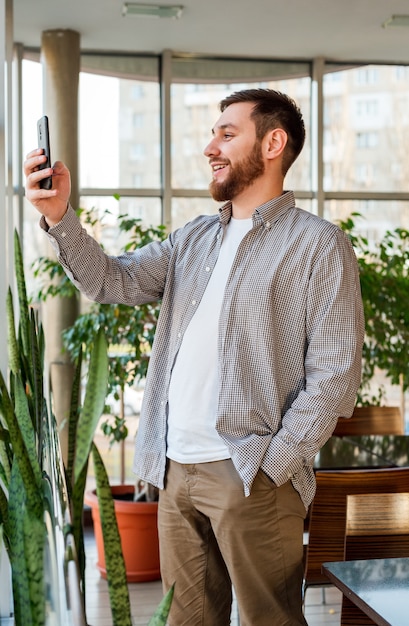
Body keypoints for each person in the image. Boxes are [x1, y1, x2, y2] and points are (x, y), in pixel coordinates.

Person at [24, 88, 364, 626]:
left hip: (252, 476)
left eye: (228, 133)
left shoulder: (319, 244)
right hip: (175, 469)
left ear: (273, 142)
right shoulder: (195, 238)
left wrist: (273, 464)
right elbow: (113, 279)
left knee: (268, 621)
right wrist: (61, 217)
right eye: (213, 133)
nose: (211, 145)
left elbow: (337, 374)